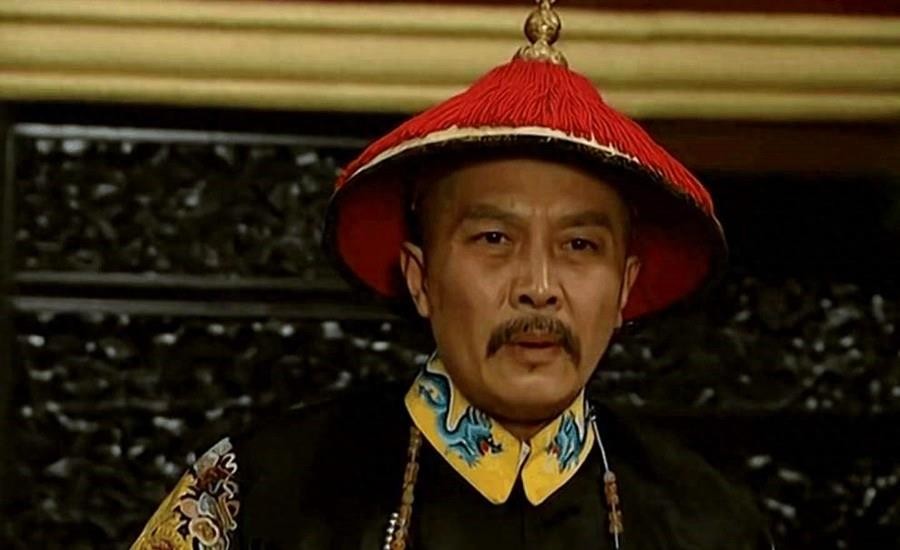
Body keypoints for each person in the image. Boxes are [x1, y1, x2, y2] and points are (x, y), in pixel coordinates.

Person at [132, 1, 772, 549]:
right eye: (494, 239)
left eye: (579, 245)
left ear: (625, 286)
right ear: (420, 277)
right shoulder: (261, 491)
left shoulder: (710, 520)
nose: (539, 286)